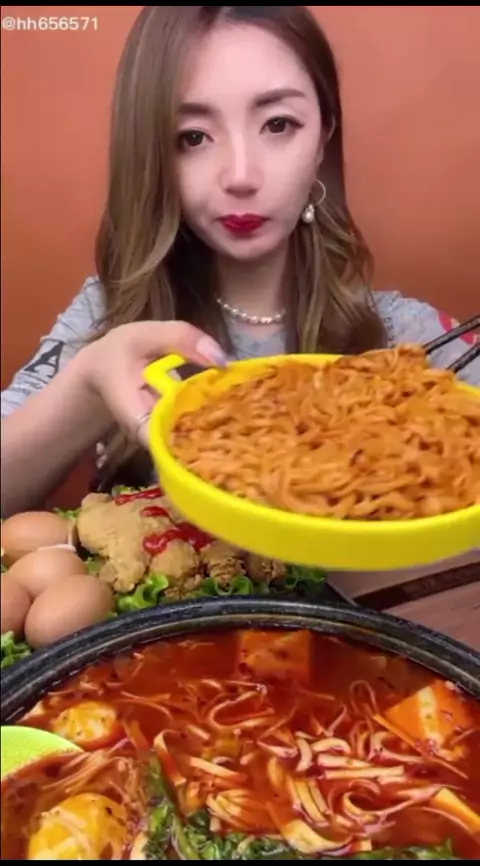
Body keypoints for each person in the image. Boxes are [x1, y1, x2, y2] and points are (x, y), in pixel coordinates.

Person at [1, 5, 479, 518]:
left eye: (278, 124)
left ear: (323, 137)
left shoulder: (408, 337)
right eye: (193, 137)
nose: (241, 175)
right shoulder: (106, 319)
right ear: (154, 156)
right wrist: (88, 387)